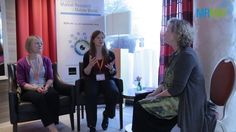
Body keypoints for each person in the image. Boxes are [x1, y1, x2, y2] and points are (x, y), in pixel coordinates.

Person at [132, 18, 216, 132]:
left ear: (178, 34)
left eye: (168, 30)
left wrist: (155, 97)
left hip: (183, 101)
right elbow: (166, 81)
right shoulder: (176, 54)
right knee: (139, 98)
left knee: (140, 107)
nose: (164, 33)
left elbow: (176, 89)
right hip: (175, 95)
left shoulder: (187, 55)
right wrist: (154, 93)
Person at [16, 35, 59, 132]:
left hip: (44, 86)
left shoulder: (46, 60)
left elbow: (50, 78)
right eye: (37, 43)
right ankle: (52, 128)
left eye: (41, 43)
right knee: (39, 97)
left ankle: (53, 122)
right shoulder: (21, 63)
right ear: (29, 45)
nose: (40, 45)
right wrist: (35, 88)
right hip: (29, 88)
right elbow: (21, 82)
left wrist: (47, 87)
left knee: (53, 94)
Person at [82, 30, 119, 132]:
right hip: (92, 80)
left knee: (114, 91)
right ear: (93, 40)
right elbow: (85, 73)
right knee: (91, 94)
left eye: (102, 38)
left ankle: (107, 114)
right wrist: (89, 65)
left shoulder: (110, 54)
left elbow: (113, 72)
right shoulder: (87, 55)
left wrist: (111, 69)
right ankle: (92, 125)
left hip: (106, 79)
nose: (101, 40)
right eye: (98, 38)